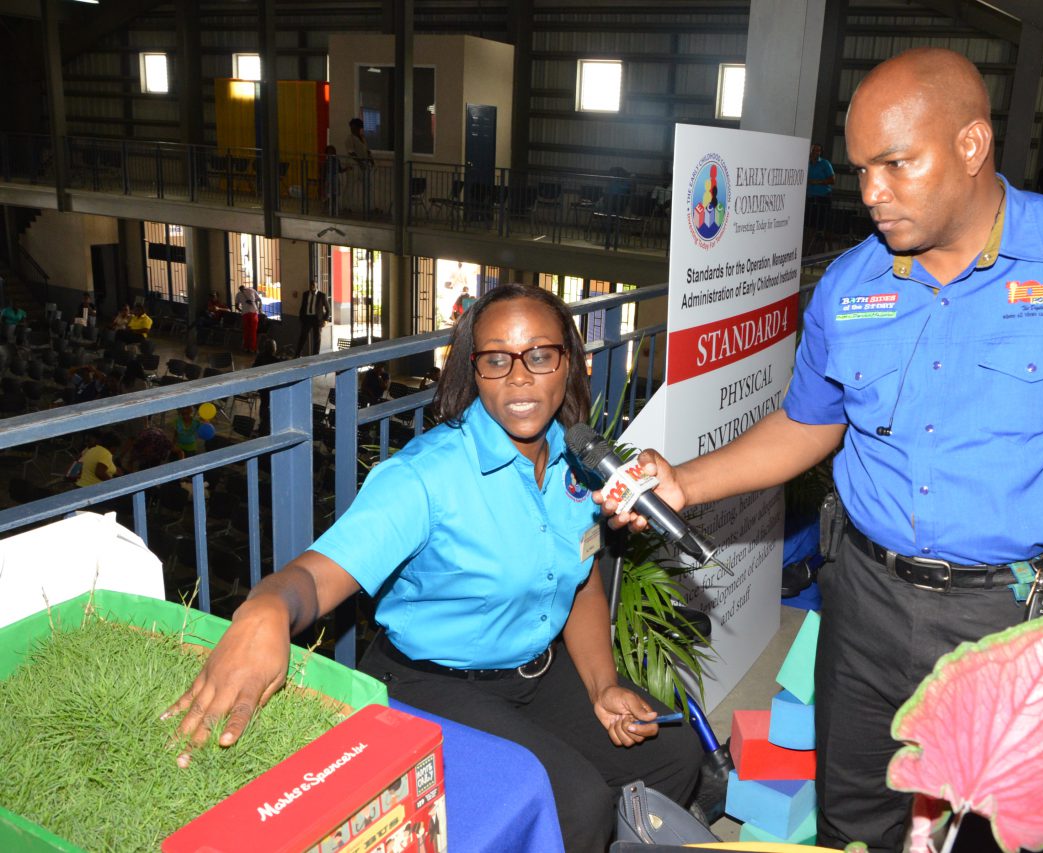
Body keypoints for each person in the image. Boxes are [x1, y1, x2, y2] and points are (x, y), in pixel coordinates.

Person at [599, 48, 1043, 853]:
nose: (871, 192)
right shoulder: (851, 283)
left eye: (896, 163)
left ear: (971, 144)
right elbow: (809, 423)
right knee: (854, 819)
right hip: (864, 601)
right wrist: (683, 480)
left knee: (996, 836)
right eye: (861, 169)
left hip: (1008, 616)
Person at [164, 284, 701, 852]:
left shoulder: (579, 459)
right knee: (577, 802)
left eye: (540, 355)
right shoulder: (423, 477)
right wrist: (268, 608)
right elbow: (317, 575)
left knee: (674, 755)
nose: (520, 377)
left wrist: (602, 685)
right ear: (474, 369)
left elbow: (583, 580)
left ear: (569, 362)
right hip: (433, 683)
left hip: (536, 671)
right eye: (497, 359)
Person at [805, 143, 836, 252]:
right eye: (814, 150)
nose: (816, 152)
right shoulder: (806, 163)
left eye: (818, 150)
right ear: (810, 151)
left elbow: (832, 180)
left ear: (821, 152)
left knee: (826, 225)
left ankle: (830, 251)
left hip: (823, 198)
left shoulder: (825, 163)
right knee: (809, 226)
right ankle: (808, 250)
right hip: (810, 198)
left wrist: (817, 182)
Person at [345, 117, 374, 214]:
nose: (352, 129)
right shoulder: (350, 138)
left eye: (354, 127)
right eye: (351, 127)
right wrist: (360, 162)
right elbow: (351, 153)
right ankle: (348, 206)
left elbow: (367, 151)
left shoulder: (362, 138)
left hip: (364, 164)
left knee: (368, 186)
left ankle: (367, 207)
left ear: (359, 128)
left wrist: (371, 160)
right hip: (354, 164)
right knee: (351, 185)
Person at [296, 280, 330, 357]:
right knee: (302, 337)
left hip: (317, 320)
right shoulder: (305, 294)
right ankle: (297, 355)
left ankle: (315, 356)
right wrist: (301, 317)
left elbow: (328, 309)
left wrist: (325, 320)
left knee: (317, 339)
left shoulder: (322, 295)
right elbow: (303, 307)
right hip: (307, 319)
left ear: (316, 285)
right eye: (311, 285)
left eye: (314, 285)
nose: (312, 287)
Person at [235, 284, 262, 353]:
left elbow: (236, 307)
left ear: (240, 289)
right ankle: (253, 348)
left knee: (246, 332)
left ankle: (246, 347)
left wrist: (242, 311)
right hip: (254, 313)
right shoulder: (252, 290)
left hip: (245, 314)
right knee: (253, 332)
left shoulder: (238, 294)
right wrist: (259, 309)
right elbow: (260, 300)